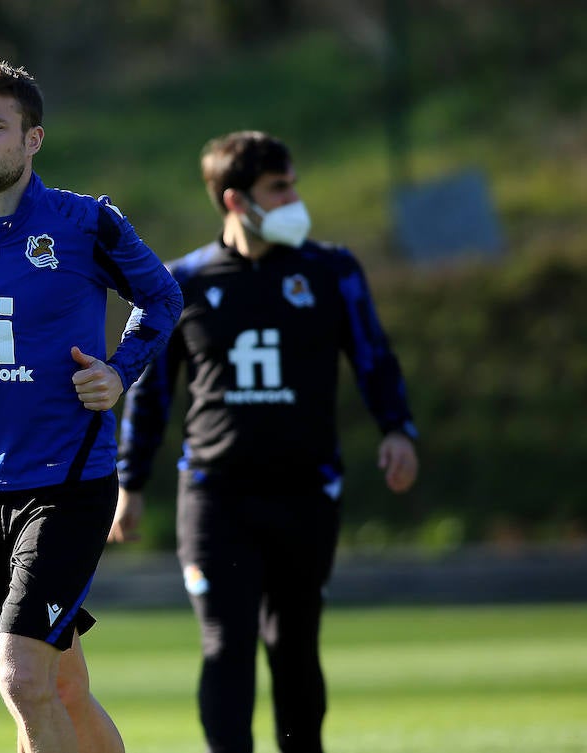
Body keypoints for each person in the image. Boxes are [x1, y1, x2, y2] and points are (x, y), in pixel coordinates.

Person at [0, 60, 183, 752]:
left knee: (21, 678)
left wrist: (119, 371)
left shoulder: (86, 223)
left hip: (69, 479)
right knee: (62, 687)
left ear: (33, 138)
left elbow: (162, 296)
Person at [110, 130, 420, 753]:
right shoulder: (180, 284)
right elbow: (151, 393)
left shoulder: (330, 270)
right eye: (279, 188)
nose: (294, 199)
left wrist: (397, 429)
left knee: (294, 644)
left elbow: (373, 357)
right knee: (226, 643)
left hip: (305, 492)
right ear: (235, 200)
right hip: (216, 496)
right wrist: (130, 483)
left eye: (293, 184)